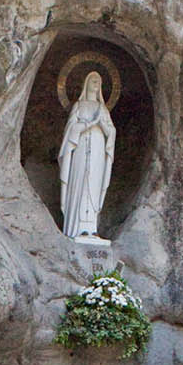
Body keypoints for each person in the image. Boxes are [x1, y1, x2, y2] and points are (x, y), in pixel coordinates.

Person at [57, 72, 116, 243]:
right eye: (93, 80)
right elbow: (70, 130)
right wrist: (88, 124)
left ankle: (91, 228)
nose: (96, 83)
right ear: (86, 83)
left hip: (97, 149)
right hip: (81, 148)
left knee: (94, 183)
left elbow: (111, 132)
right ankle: (76, 227)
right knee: (80, 182)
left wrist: (102, 125)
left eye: (99, 81)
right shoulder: (79, 106)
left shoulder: (103, 109)